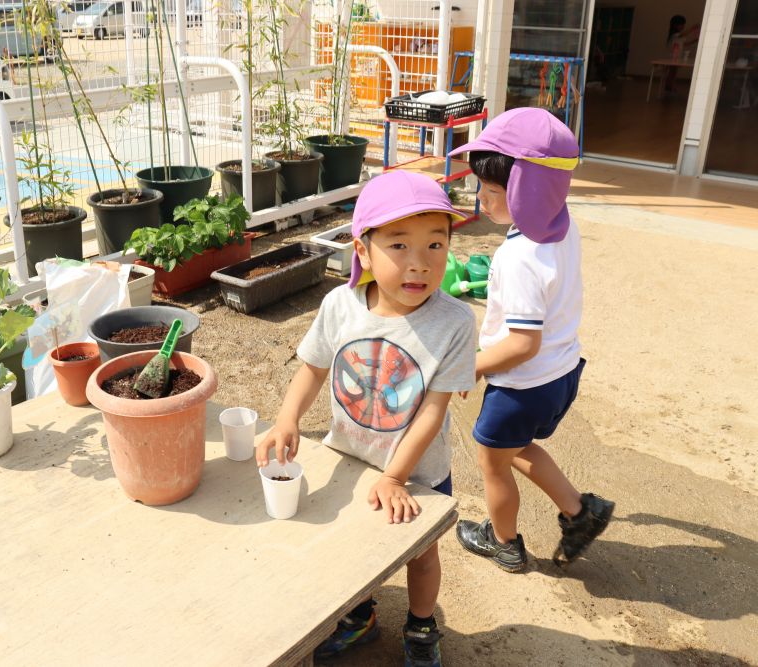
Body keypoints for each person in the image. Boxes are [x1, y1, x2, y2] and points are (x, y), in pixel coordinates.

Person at [256, 170, 476, 667]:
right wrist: (287, 419)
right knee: (350, 553)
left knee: (421, 555)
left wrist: (397, 475)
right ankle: (360, 616)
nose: (419, 264)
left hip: (417, 473)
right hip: (349, 458)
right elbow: (312, 371)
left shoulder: (455, 322)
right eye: (398, 245)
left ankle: (421, 627)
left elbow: (434, 410)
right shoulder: (339, 305)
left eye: (435, 245)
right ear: (362, 250)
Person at [447, 107, 614, 573]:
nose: (482, 199)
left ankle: (503, 542)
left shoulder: (518, 257)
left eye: (494, 191)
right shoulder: (562, 224)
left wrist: (473, 365)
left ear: (529, 189)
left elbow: (521, 345)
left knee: (493, 462)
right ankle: (580, 512)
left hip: (521, 385)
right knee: (516, 448)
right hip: (560, 376)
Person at [665, 14, 700, 93]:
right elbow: (683, 34)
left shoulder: (679, 35)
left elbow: (684, 44)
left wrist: (694, 41)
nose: (683, 26)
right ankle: (669, 86)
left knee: (673, 72)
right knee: (672, 72)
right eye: (682, 24)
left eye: (683, 24)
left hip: (677, 56)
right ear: (675, 25)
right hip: (673, 56)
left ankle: (669, 86)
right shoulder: (675, 35)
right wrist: (692, 28)